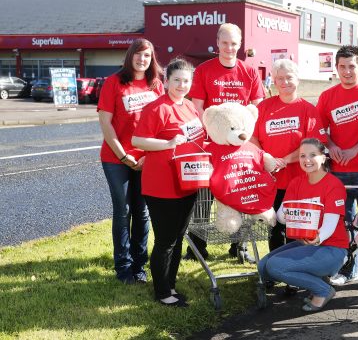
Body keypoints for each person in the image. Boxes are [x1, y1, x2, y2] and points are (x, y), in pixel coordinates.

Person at [186, 22, 265, 263]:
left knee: (238, 193)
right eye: (225, 43)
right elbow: (198, 106)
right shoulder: (204, 70)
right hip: (210, 144)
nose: (229, 48)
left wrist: (249, 139)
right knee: (203, 195)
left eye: (234, 43)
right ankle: (196, 248)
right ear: (217, 43)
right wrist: (214, 133)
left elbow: (256, 106)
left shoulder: (249, 72)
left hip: (238, 145)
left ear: (240, 45)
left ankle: (238, 247)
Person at [132, 58, 205, 307]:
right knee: (166, 240)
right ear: (166, 81)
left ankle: (170, 284)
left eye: (186, 81)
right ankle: (162, 292)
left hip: (187, 182)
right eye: (177, 80)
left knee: (179, 235)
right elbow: (138, 140)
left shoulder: (190, 108)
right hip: (161, 185)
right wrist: (167, 144)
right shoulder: (157, 108)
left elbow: (197, 140)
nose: (182, 85)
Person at [316, 45, 358, 292]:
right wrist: (331, 145)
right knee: (342, 223)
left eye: (352, 66)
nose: (347, 71)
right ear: (336, 68)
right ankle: (347, 269)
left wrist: (355, 149)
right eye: (342, 67)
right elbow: (320, 130)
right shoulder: (327, 96)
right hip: (338, 172)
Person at [97, 38, 164, 284]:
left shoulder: (156, 85)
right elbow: (105, 123)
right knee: (123, 211)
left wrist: (147, 155)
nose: (142, 59)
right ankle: (123, 267)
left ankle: (139, 265)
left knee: (142, 211)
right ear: (130, 56)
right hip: (116, 158)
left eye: (147, 55)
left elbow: (161, 123)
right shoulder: (114, 83)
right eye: (138, 54)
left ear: (151, 59)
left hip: (146, 158)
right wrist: (124, 156)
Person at [258, 138, 348, 311]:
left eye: (313, 155)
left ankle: (323, 290)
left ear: (324, 157)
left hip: (331, 248)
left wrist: (317, 237)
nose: (307, 160)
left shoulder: (333, 184)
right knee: (264, 267)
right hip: (305, 243)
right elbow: (282, 217)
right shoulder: (296, 183)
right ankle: (319, 279)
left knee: (275, 266)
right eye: (302, 156)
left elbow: (330, 224)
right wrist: (289, 211)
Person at [250, 59, 327, 253]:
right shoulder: (264, 108)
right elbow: (252, 138)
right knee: (274, 229)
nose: (284, 82)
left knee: (298, 230)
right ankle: (275, 271)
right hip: (271, 180)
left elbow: (314, 145)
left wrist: (284, 160)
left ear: (298, 79)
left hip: (299, 181)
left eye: (289, 77)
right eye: (279, 78)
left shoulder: (308, 110)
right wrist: (266, 157)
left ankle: (294, 272)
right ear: (273, 81)